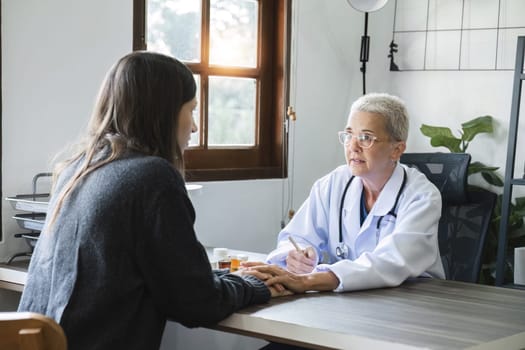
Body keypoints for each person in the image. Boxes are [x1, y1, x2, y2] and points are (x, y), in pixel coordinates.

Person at [18, 51, 280, 350]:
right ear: (164, 112)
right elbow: (196, 304)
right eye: (191, 110)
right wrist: (254, 286)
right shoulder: (152, 177)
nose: (194, 126)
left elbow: (167, 278)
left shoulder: (76, 168)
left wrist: (230, 278)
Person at [249, 93, 445, 294]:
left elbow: (392, 261)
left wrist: (310, 280)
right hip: (351, 298)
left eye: (366, 138)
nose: (353, 146)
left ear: (396, 150)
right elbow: (297, 236)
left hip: (412, 300)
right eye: (349, 135)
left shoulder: (421, 196)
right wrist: (297, 256)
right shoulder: (334, 183)